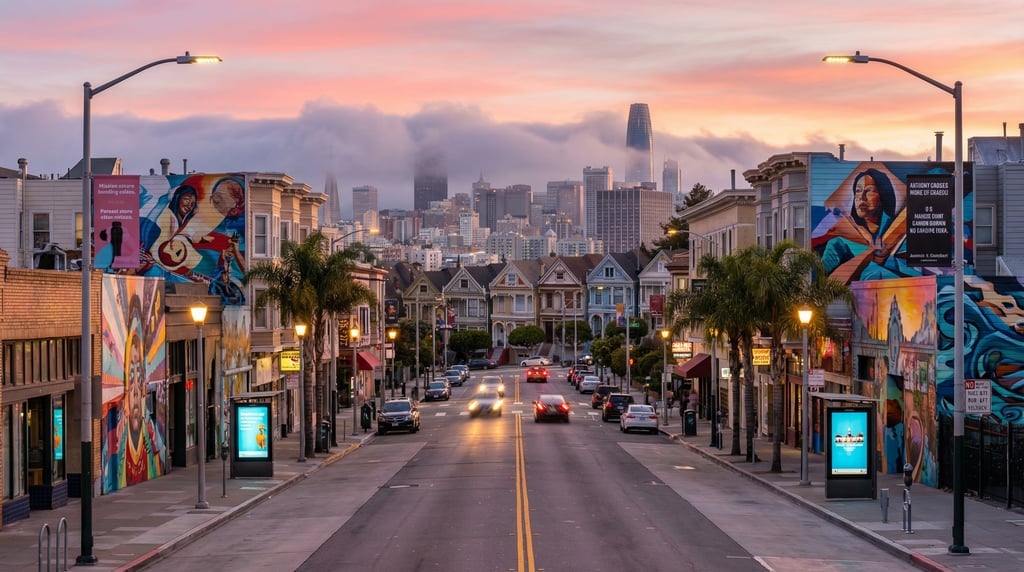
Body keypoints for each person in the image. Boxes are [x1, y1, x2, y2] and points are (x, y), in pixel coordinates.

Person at [815, 167, 906, 282]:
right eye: (858, 191)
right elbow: (819, 277)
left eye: (869, 191)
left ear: (883, 195)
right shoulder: (839, 242)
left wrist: (885, 258)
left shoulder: (898, 233)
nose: (861, 197)